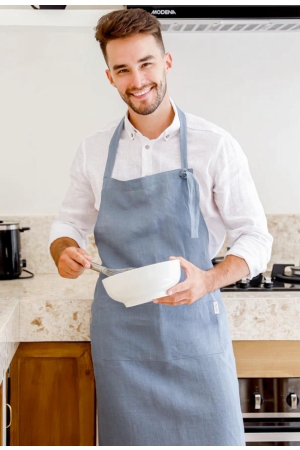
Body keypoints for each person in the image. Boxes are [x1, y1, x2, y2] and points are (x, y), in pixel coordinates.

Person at [49, 8, 273, 446]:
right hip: (123, 342)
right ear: (109, 76)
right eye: (123, 70)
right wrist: (62, 250)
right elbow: (67, 224)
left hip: (194, 335)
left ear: (167, 62)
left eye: (146, 63)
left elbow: (256, 236)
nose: (137, 81)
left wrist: (210, 279)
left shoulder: (215, 145)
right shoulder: (94, 151)